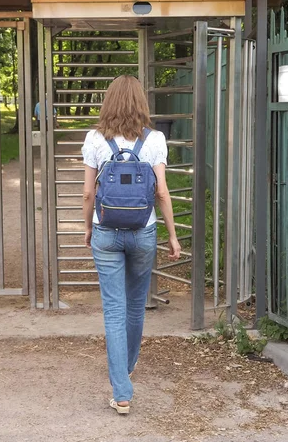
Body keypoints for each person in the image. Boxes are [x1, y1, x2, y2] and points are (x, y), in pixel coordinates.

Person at [81, 75, 181, 415]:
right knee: (136, 305)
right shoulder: (155, 140)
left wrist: (86, 228)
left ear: (108, 102)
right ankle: (126, 369)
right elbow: (162, 192)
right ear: (141, 102)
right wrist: (172, 234)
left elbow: (88, 193)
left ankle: (121, 392)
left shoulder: (95, 139)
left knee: (113, 308)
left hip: (105, 231)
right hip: (143, 231)